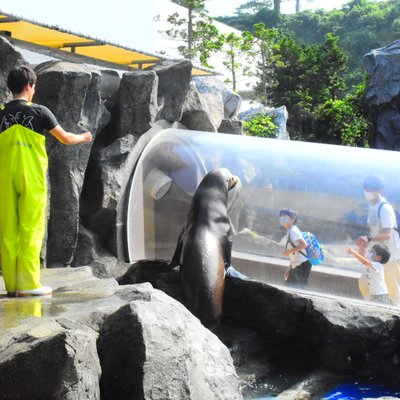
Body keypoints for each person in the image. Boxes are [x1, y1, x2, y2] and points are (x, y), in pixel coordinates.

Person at [0, 66, 92, 297]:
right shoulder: (40, 112)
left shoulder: (0, 113)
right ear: (29, 86)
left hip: (4, 177)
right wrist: (84, 136)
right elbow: (65, 138)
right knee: (31, 227)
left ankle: (12, 285)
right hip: (31, 177)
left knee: (8, 230)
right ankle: (29, 283)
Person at [355, 175, 400, 306]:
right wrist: (366, 242)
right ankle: (372, 309)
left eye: (371, 188)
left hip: (390, 255)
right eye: (366, 187)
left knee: (393, 291)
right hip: (379, 253)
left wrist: (368, 238)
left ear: (379, 190)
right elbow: (374, 232)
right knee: (364, 282)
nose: (368, 191)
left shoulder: (385, 208)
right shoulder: (372, 207)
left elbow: (387, 234)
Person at [279, 208, 311, 289]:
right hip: (298, 264)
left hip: (301, 264)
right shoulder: (291, 231)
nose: (282, 217)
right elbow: (296, 253)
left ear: (292, 219)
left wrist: (288, 251)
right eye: (281, 215)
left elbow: (304, 245)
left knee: (296, 289)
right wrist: (289, 269)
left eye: (285, 215)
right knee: (292, 288)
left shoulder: (293, 231)